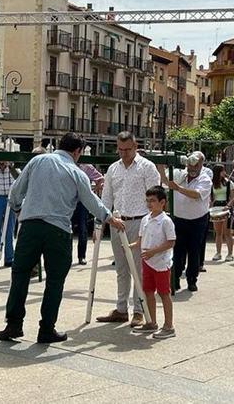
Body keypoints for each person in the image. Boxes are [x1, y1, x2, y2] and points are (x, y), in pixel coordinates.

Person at [0, 132, 125, 344]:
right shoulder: (77, 172)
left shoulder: (38, 160)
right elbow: (91, 201)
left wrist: (19, 209)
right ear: (77, 152)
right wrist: (110, 219)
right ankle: (46, 328)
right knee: (54, 281)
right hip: (58, 230)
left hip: (30, 226)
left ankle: (13, 324)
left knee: (20, 275)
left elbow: (17, 190)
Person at [96, 132, 161, 328]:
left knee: (138, 269)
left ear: (135, 146)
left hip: (140, 222)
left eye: (127, 149)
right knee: (121, 268)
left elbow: (155, 197)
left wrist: (152, 226)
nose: (123, 153)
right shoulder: (113, 169)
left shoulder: (147, 167)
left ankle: (139, 311)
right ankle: (121, 309)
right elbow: (106, 198)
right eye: (120, 149)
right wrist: (100, 224)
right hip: (117, 222)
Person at [161, 153, 212, 292]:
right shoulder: (180, 174)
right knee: (177, 251)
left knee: (194, 251)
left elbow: (196, 195)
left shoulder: (205, 179)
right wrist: (160, 166)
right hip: (179, 219)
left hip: (197, 220)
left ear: (202, 164)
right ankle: (175, 279)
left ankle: (191, 280)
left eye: (196, 164)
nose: (193, 167)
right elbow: (165, 180)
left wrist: (178, 188)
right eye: (190, 164)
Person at [131, 186, 176, 339]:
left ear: (162, 202)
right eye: (147, 201)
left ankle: (169, 326)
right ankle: (151, 322)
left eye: (153, 201)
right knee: (148, 292)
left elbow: (170, 242)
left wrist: (153, 252)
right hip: (147, 263)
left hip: (161, 264)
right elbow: (140, 239)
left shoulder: (166, 221)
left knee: (164, 293)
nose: (149, 204)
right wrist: (131, 245)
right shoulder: (145, 219)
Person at [71, 164, 104, 266]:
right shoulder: (65, 163)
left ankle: (82, 256)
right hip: (68, 202)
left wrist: (91, 192)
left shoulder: (86, 166)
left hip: (82, 203)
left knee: (82, 229)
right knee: (67, 229)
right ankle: (67, 257)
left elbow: (101, 179)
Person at [210, 164, 234, 262]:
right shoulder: (212, 183)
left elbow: (233, 197)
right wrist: (210, 206)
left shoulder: (229, 183)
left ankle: (230, 254)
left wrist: (228, 206)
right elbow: (211, 197)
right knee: (218, 232)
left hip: (226, 207)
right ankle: (218, 253)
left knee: (227, 232)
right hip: (216, 207)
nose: (224, 172)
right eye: (222, 171)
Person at [193, 151, 213, 271]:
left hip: (202, 211)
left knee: (200, 240)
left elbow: (199, 191)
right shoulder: (185, 171)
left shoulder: (207, 172)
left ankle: (200, 263)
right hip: (186, 212)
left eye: (198, 160)